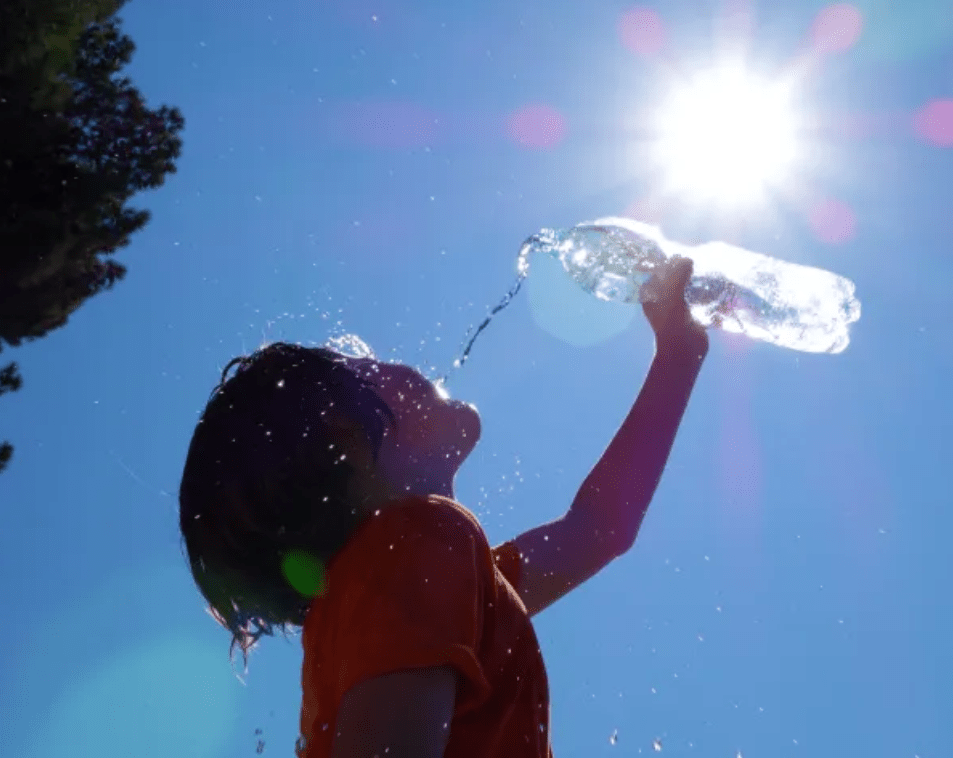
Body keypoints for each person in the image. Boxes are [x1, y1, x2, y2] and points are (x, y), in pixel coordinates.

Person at [178, 256, 709, 757]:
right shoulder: (414, 547)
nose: (394, 362)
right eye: (366, 367)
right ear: (347, 440)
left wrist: (678, 356)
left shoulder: (419, 588)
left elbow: (598, 528)